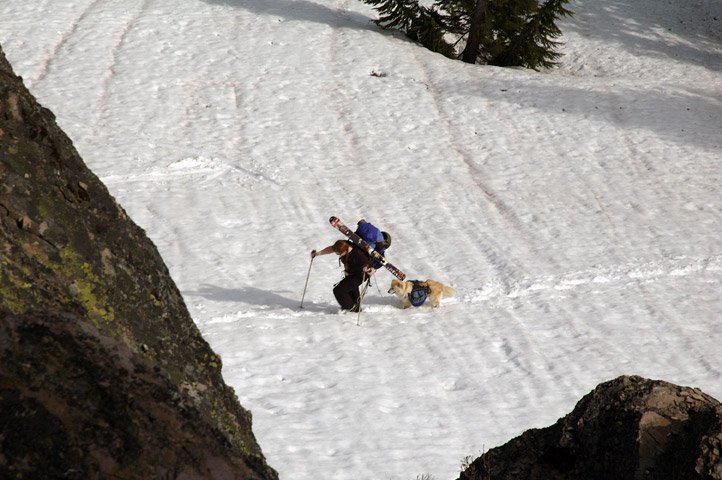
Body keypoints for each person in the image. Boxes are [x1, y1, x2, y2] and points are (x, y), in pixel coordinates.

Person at [311, 239, 375, 312]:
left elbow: (371, 266)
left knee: (339, 290)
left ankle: (350, 308)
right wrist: (317, 254)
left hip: (359, 276)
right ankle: (356, 308)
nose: (338, 255)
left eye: (339, 253)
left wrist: (368, 269)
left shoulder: (358, 253)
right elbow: (330, 249)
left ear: (346, 249)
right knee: (351, 290)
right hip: (351, 273)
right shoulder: (342, 245)